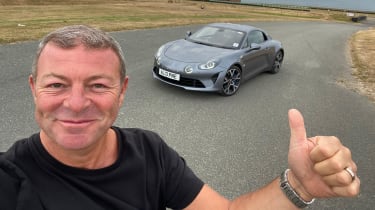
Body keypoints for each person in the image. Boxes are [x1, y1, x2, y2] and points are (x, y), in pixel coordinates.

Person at [0, 25, 360, 210]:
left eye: (97, 85)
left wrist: (299, 186)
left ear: (122, 91)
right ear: (33, 88)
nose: (76, 103)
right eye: (57, 84)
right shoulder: (11, 180)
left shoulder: (149, 150)